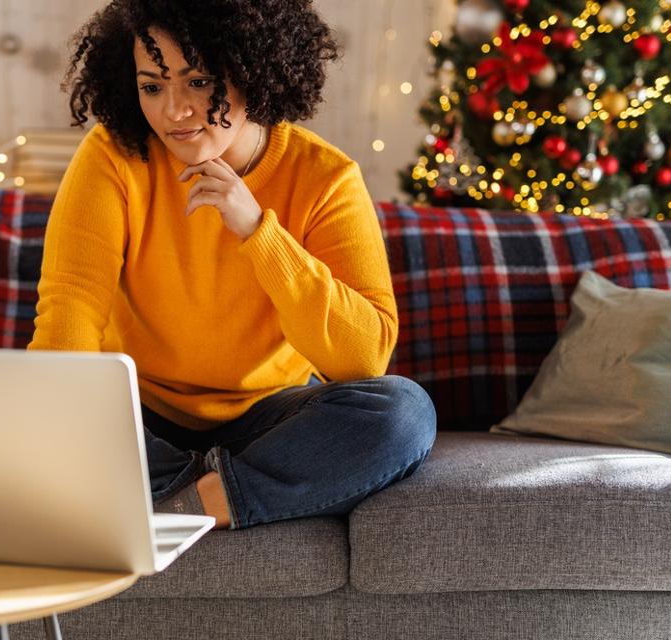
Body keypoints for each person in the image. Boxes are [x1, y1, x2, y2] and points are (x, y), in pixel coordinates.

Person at [29, 0, 436, 530]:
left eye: (198, 82)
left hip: (266, 422)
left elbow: (363, 359)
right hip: (137, 417)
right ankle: (206, 495)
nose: (174, 111)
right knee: (7, 413)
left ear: (254, 74)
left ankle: (182, 503)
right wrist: (56, 421)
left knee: (404, 413)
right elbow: (71, 306)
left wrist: (258, 231)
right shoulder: (113, 154)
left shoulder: (326, 178)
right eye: (152, 87)